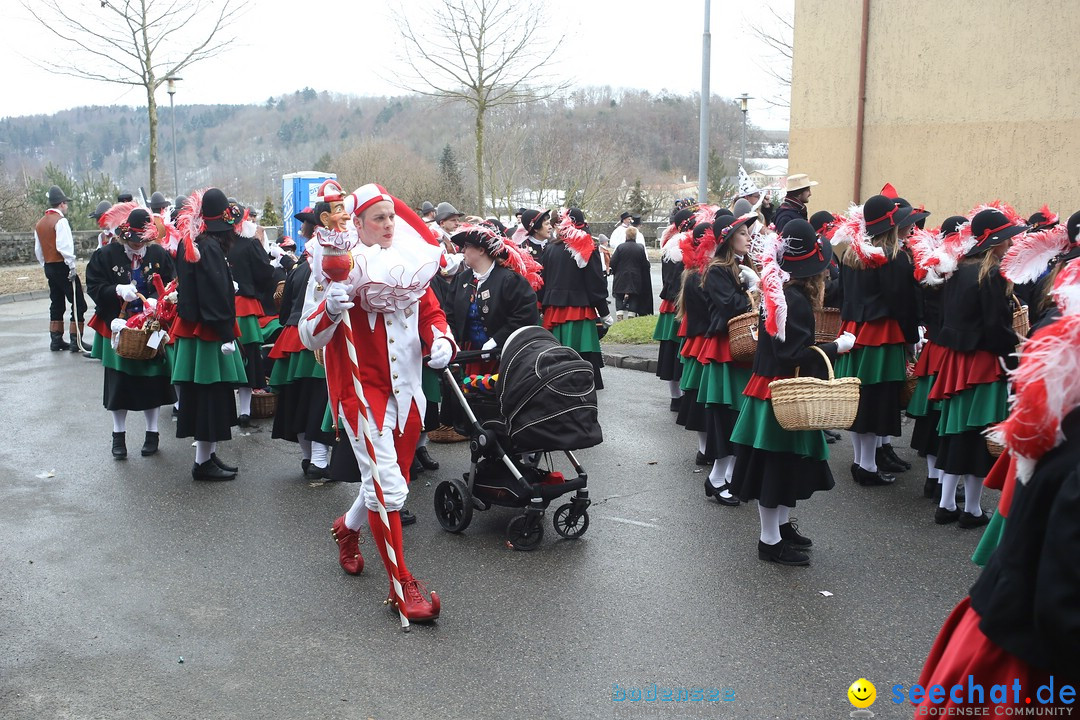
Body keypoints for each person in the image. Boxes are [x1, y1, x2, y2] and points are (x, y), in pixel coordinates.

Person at [912, 288, 1080, 715]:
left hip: (1012, 628)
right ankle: (955, 503)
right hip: (1027, 656)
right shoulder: (985, 279)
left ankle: (954, 501)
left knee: (957, 433)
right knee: (967, 437)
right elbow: (1061, 607)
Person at [300, 183, 454, 623]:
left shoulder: (409, 262)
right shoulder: (334, 265)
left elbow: (431, 312)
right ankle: (402, 584)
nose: (389, 225)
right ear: (359, 224)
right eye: (379, 218)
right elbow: (310, 334)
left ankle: (346, 528)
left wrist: (441, 339)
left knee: (388, 482)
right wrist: (330, 308)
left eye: (392, 216)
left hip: (407, 391)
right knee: (388, 485)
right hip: (359, 391)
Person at [729, 220, 856, 565]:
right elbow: (792, 356)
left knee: (782, 467)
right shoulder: (795, 301)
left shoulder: (781, 293)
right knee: (775, 468)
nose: (828, 276)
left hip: (769, 389)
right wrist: (836, 348)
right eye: (825, 271)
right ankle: (769, 542)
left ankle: (781, 528)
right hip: (779, 393)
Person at [927, 208, 1026, 527]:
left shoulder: (958, 269)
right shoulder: (992, 274)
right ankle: (971, 510)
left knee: (956, 432)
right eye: (1006, 239)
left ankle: (946, 504)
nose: (1010, 244)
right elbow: (994, 327)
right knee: (980, 434)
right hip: (983, 362)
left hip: (957, 361)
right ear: (993, 242)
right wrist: (1017, 351)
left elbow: (946, 318)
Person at [835, 194, 921, 487]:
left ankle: (862, 462)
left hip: (854, 333)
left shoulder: (851, 255)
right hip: (882, 336)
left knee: (860, 402)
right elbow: (903, 304)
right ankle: (868, 467)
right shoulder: (893, 259)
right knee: (876, 402)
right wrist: (912, 339)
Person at [85, 207, 177, 459]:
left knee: (153, 380)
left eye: (144, 243)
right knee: (119, 383)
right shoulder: (105, 255)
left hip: (151, 326)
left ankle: (152, 433)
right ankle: (118, 436)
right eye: (134, 244)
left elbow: (171, 284)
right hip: (118, 324)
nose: (138, 248)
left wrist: (159, 300)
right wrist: (116, 290)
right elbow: (93, 285)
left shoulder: (158, 253)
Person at [170, 188, 248, 480]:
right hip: (210, 331)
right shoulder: (210, 248)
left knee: (207, 395)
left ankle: (208, 455)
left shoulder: (194, 243)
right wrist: (227, 331)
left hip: (199, 329)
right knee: (208, 396)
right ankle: (202, 462)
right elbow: (215, 295)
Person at [699, 213, 760, 506]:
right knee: (726, 415)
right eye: (744, 233)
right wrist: (752, 290)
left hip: (744, 348)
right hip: (726, 349)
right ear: (729, 239)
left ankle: (728, 476)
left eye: (749, 233)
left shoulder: (744, 265)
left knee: (740, 414)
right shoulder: (717, 270)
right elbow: (731, 308)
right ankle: (717, 476)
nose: (749, 238)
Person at [269, 208, 335, 480]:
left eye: (305, 227)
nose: (302, 231)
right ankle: (318, 460)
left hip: (295, 337)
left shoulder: (297, 268)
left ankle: (309, 458)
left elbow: (284, 312)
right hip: (319, 339)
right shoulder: (327, 267)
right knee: (319, 401)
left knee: (296, 399)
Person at [445, 222, 540, 374]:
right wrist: (451, 341)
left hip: (504, 356)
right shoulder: (462, 279)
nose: (462, 251)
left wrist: (496, 340)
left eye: (467, 246)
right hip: (471, 357)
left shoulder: (509, 280)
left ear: (481, 250)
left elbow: (525, 316)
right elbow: (450, 316)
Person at [540, 208, 612, 389]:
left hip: (553, 312)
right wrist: (604, 312)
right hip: (578, 311)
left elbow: (543, 282)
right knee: (581, 358)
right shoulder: (587, 247)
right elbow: (595, 284)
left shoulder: (549, 248)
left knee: (556, 358)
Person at [228, 201, 279, 428]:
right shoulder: (249, 244)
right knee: (248, 356)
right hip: (245, 306)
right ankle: (245, 411)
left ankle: (229, 409)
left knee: (225, 359)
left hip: (221, 307)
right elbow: (265, 273)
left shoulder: (209, 243)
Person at [34, 185, 91, 353]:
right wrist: (71, 266)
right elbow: (64, 247)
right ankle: (76, 341)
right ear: (62, 203)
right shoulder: (60, 222)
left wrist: (45, 264)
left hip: (49, 266)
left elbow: (38, 250)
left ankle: (56, 340)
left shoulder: (40, 224)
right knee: (78, 303)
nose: (66, 207)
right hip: (62, 266)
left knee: (56, 302)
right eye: (66, 203)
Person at [654, 209, 696, 411]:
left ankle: (676, 397)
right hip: (680, 304)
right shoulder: (684, 245)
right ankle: (680, 397)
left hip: (671, 303)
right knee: (679, 351)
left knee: (672, 351)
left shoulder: (670, 244)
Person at [610, 226, 653, 321]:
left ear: (626, 235)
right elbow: (645, 264)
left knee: (619, 296)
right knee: (634, 297)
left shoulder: (620, 247)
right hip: (636, 277)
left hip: (621, 276)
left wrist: (615, 270)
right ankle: (631, 317)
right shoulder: (640, 248)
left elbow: (612, 262)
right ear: (635, 236)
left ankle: (619, 316)